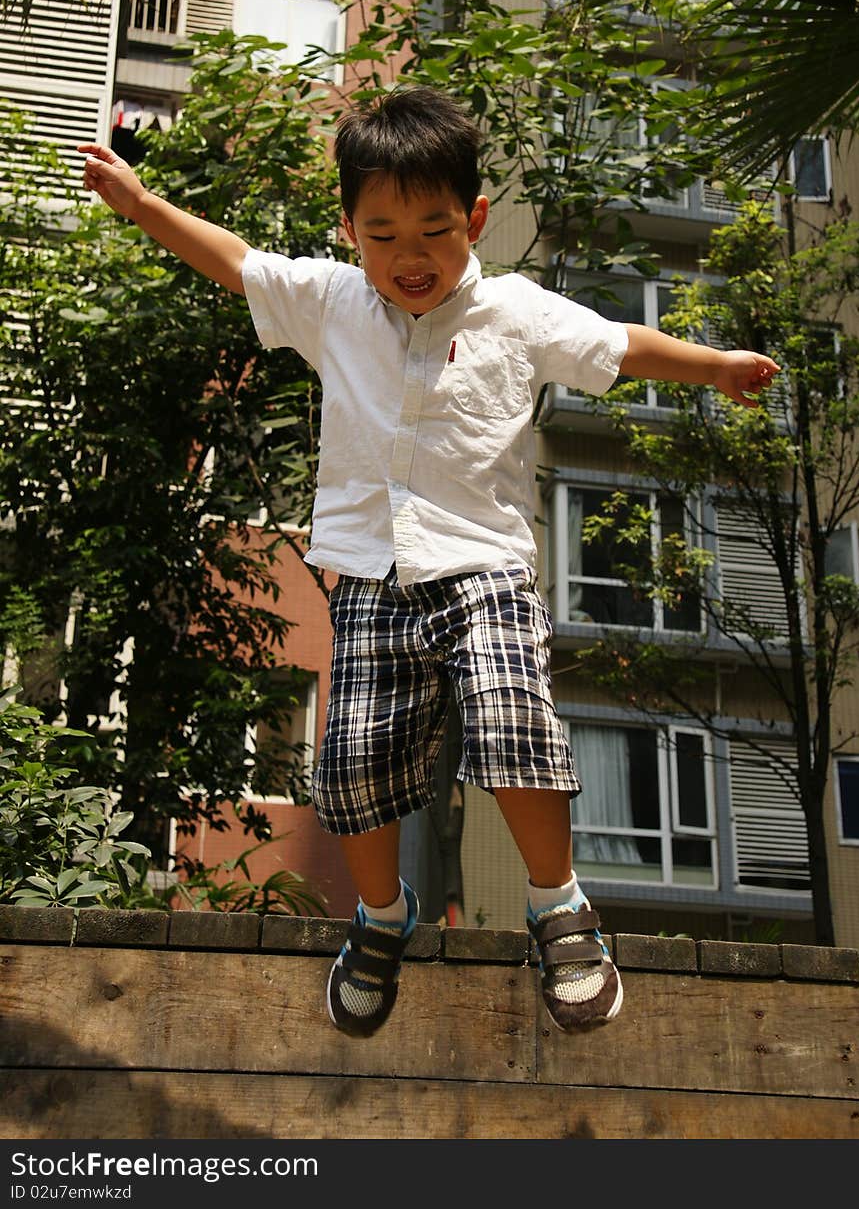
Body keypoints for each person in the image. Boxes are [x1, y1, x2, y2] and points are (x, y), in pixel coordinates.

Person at [79, 86, 779, 1039]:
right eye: (382, 235)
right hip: (371, 574)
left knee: (510, 718)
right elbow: (235, 262)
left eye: (435, 231)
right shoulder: (330, 302)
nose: (410, 258)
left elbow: (621, 345)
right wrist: (144, 207)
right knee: (354, 763)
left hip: (484, 563)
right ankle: (380, 919)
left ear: (476, 219)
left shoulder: (517, 312)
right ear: (348, 231)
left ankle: (559, 905)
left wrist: (716, 365)